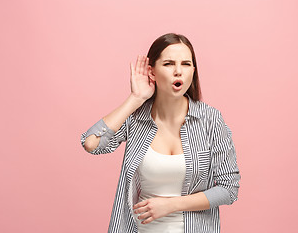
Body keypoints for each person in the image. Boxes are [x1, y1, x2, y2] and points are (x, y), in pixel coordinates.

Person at [80, 33, 241, 233]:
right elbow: (91, 144)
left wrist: (171, 205)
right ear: (152, 72)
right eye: (168, 64)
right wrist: (135, 98)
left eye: (186, 64)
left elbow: (229, 189)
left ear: (193, 70)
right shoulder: (136, 117)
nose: (178, 71)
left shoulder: (210, 120)